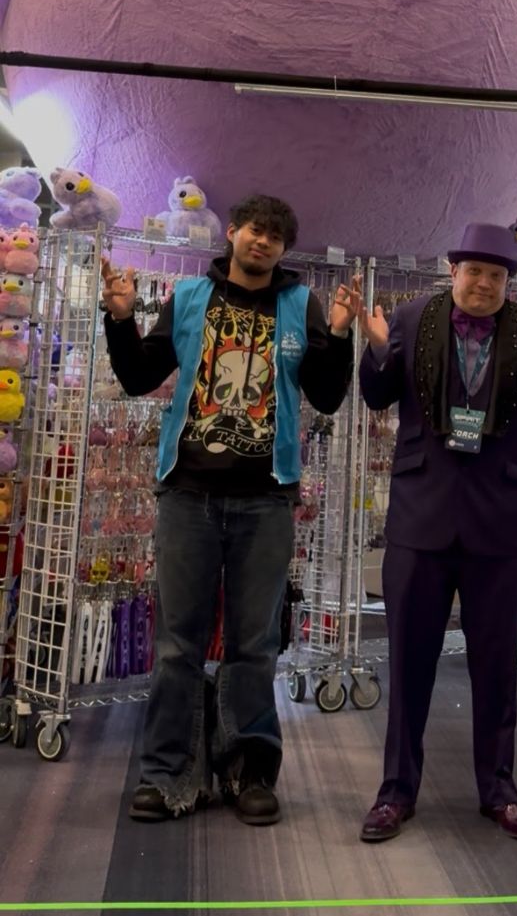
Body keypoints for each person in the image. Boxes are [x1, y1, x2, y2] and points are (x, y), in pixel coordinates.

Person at [101, 194, 359, 826]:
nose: (262, 242)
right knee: (176, 643)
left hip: (266, 498)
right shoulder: (190, 297)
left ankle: (249, 770)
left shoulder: (301, 305)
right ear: (234, 233)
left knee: (254, 643)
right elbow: (139, 377)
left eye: (275, 235)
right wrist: (121, 320)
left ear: (283, 248)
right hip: (188, 493)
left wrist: (340, 336)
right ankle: (168, 774)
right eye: (254, 230)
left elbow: (326, 395)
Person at [355, 222, 517, 846]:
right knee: (409, 663)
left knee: (496, 669)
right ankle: (395, 792)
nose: (484, 283)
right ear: (453, 271)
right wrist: (377, 349)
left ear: (508, 282)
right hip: (421, 518)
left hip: (499, 521)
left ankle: (500, 792)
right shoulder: (410, 318)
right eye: (474, 272)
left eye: (496, 275)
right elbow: (377, 396)